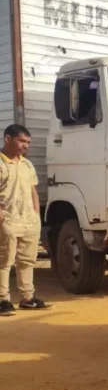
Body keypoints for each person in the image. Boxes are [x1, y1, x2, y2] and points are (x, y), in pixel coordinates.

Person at [0, 125, 47, 315]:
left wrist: (36, 214)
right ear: (7, 139)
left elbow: (32, 189)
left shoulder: (27, 164)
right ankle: (2, 299)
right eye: (21, 141)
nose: (25, 146)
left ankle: (27, 298)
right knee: (4, 261)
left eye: (28, 142)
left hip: (28, 221)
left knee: (27, 261)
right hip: (8, 220)